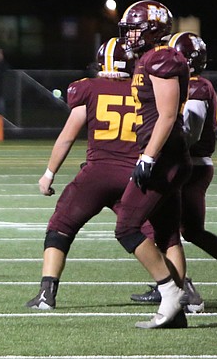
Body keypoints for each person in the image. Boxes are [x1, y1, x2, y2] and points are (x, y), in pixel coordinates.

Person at [131, 31, 217, 308]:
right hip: (185, 164)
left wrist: (159, 148)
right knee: (181, 230)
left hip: (192, 165)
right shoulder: (186, 83)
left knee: (168, 228)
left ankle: (182, 286)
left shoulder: (195, 87)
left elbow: (189, 132)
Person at [26, 38, 138, 309]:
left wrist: (49, 174)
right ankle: (178, 287)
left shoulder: (87, 89)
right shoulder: (146, 90)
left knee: (60, 227)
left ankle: (46, 293)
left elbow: (67, 137)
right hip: (134, 175)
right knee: (149, 234)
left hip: (97, 174)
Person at [111, 0, 193, 329]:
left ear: (153, 29)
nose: (129, 36)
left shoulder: (162, 58)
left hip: (164, 157)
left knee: (127, 227)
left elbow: (169, 115)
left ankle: (170, 292)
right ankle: (177, 312)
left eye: (135, 29)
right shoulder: (149, 59)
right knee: (166, 234)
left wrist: (148, 157)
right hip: (166, 155)